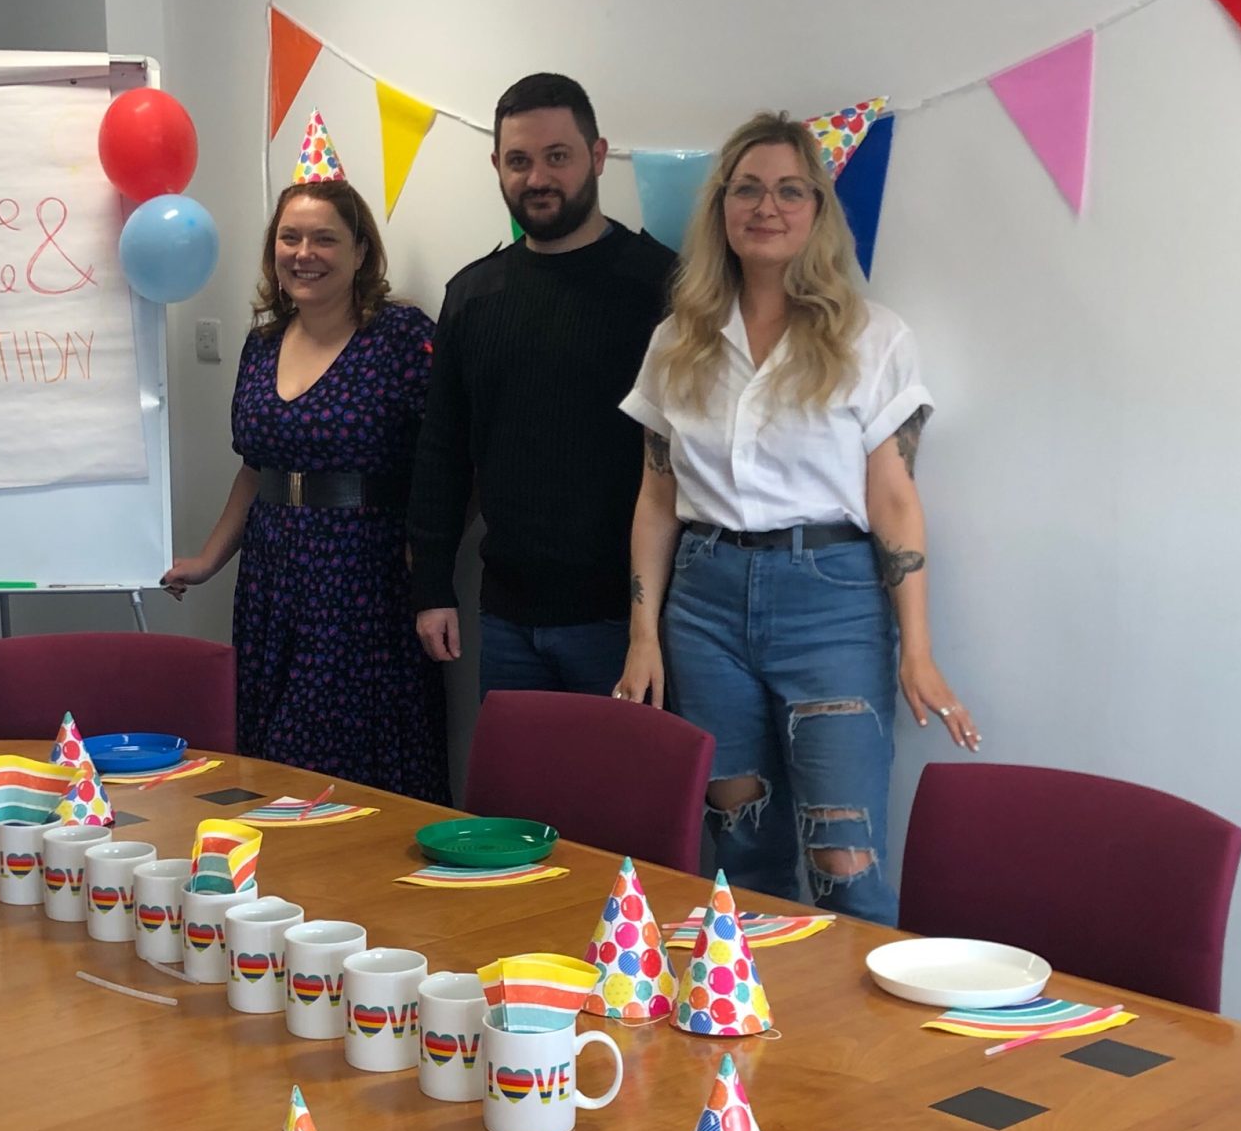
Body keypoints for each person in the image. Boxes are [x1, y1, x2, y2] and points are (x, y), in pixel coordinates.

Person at [616, 113, 978, 922]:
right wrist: (644, 637)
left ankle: (860, 1051)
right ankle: (759, 1036)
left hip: (833, 602)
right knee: (741, 848)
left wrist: (917, 651)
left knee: (843, 858)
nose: (766, 206)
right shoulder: (679, 340)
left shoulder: (871, 337)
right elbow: (656, 497)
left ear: (817, 210)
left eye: (789, 190)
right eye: (747, 189)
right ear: (720, 210)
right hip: (704, 607)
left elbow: (893, 498)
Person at [161, 180, 445, 799]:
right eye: (290, 237)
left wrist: (428, 563)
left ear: (362, 251)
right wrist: (209, 559)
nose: (304, 253)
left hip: (362, 576)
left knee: (338, 755)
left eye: (325, 238)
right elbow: (256, 468)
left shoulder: (401, 339)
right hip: (272, 574)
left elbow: (449, 463)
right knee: (270, 754)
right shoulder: (262, 345)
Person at [407, 73, 676, 695]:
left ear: (598, 156)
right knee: (511, 796)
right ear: (497, 165)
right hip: (505, 618)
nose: (537, 178)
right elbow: (443, 452)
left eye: (558, 157)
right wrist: (432, 588)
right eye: (519, 161)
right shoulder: (472, 295)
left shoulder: (664, 287)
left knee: (622, 793)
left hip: (629, 622)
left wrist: (651, 624)